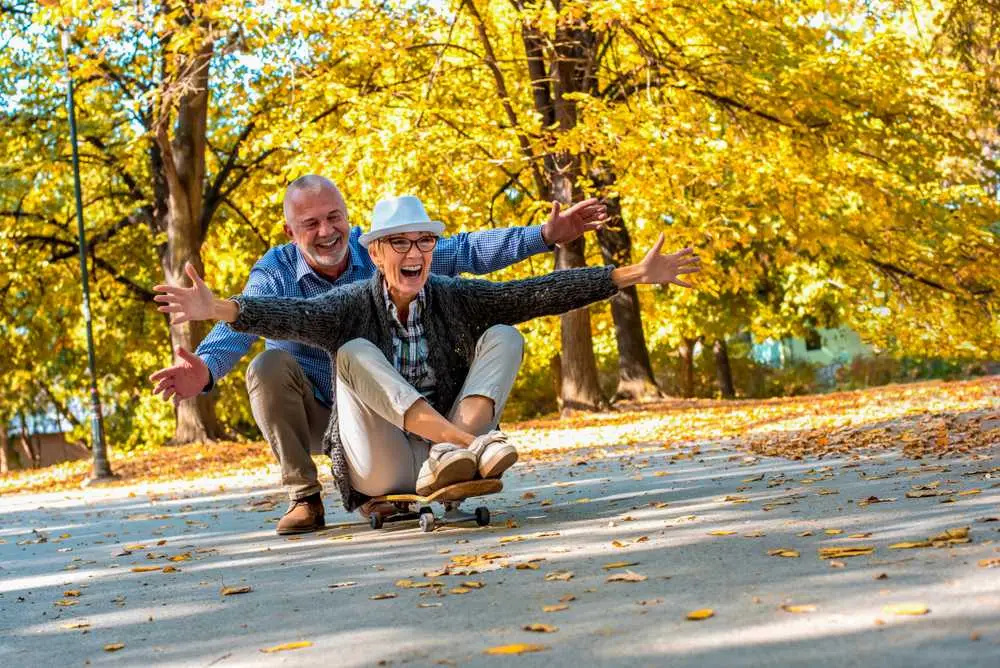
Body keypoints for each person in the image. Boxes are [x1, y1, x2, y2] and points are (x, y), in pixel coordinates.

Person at [153, 194, 701, 529]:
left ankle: (453, 452)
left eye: (422, 242)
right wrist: (215, 320)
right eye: (398, 243)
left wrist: (626, 273)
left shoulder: (447, 289)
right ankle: (326, 489)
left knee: (506, 332)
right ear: (376, 251)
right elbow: (282, 316)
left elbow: (535, 290)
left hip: (430, 439)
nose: (412, 253)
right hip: (364, 439)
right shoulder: (338, 298)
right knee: (347, 351)